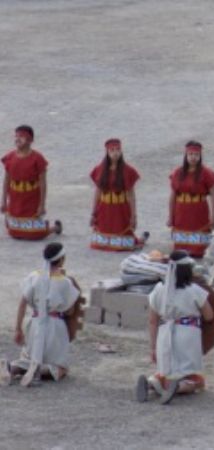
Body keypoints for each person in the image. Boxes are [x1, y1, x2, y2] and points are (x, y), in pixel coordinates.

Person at [136, 250, 214, 404]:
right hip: (188, 334)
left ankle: (152, 383)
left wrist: (153, 348)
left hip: (164, 333)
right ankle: (179, 387)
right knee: (191, 376)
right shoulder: (195, 291)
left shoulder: (158, 290)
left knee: (165, 370)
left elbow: (153, 321)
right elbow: (209, 315)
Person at [0, 243, 80, 387]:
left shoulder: (34, 276)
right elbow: (70, 311)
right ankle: (38, 370)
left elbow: (22, 304)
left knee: (29, 359)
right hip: (55, 327)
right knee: (60, 368)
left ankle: (10, 367)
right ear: (61, 260)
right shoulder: (65, 282)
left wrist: (18, 328)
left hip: (34, 324)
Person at [1, 125, 62, 240]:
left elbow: (43, 183)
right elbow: (6, 180)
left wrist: (42, 205)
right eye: (17, 136)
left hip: (31, 201)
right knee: (14, 233)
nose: (18, 139)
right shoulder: (10, 157)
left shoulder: (37, 159)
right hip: (16, 201)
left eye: (22, 137)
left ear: (30, 140)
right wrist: (4, 201)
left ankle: (54, 228)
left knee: (35, 234)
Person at [89, 138, 148, 251]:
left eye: (118, 150)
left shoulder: (127, 170)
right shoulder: (100, 169)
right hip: (105, 208)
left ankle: (139, 240)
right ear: (107, 152)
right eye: (112, 150)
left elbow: (131, 195)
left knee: (125, 244)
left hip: (120, 209)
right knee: (100, 243)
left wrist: (133, 215)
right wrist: (93, 212)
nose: (115, 153)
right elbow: (98, 192)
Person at [168, 141, 214, 258]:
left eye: (196, 155)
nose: (193, 157)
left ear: (200, 156)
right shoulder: (178, 172)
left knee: (199, 248)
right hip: (181, 211)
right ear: (186, 155)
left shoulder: (206, 173)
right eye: (190, 154)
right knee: (181, 246)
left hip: (198, 211)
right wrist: (171, 216)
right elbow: (173, 196)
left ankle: (198, 252)